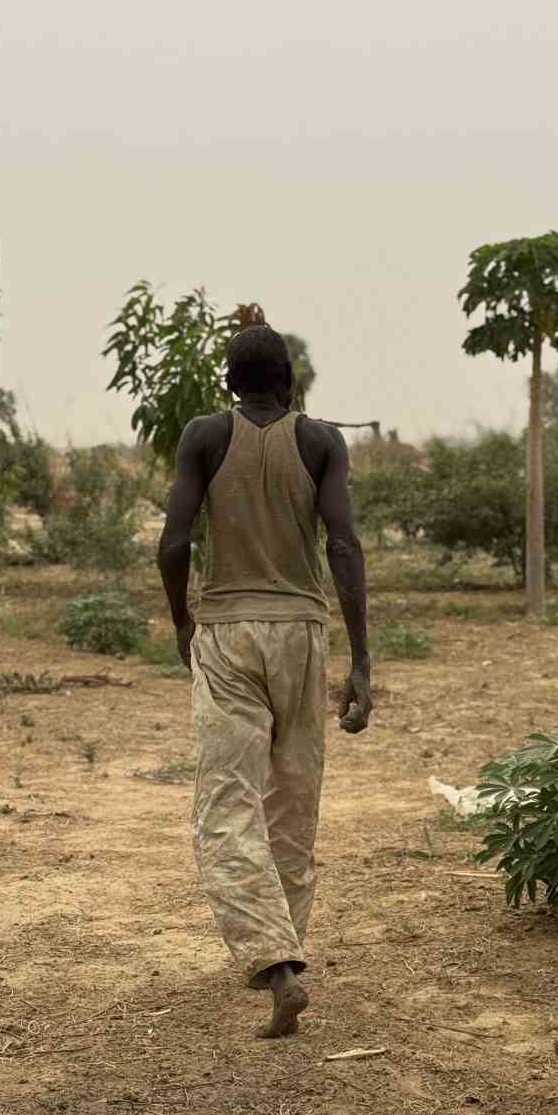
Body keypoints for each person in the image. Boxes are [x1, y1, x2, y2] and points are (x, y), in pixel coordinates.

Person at [157, 325, 372, 1039]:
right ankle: (286, 948)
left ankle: (272, 960)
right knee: (293, 798)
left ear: (229, 382)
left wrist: (183, 622)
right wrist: (361, 660)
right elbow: (342, 542)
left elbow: (174, 542)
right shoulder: (319, 442)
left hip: (227, 632)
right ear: (288, 380)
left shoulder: (203, 436)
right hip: (302, 635)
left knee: (227, 800)